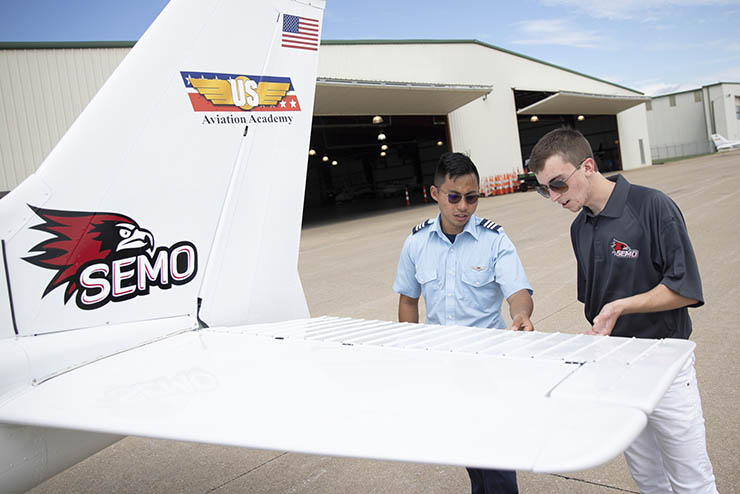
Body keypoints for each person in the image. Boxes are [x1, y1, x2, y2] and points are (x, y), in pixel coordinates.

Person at [528, 127, 717, 494]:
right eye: (544, 189)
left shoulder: (652, 206)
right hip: (616, 369)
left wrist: (620, 307)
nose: (553, 197)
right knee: (648, 480)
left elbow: (685, 289)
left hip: (666, 364)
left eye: (558, 184)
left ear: (587, 166)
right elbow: (596, 304)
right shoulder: (580, 228)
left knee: (692, 480)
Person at [393, 152, 534, 494]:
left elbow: (517, 291)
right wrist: (410, 353)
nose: (463, 207)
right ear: (435, 194)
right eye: (453, 197)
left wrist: (521, 315)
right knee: (469, 445)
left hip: (489, 362)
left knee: (496, 451)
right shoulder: (416, 243)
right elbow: (409, 300)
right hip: (444, 361)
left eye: (472, 198)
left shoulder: (494, 239)